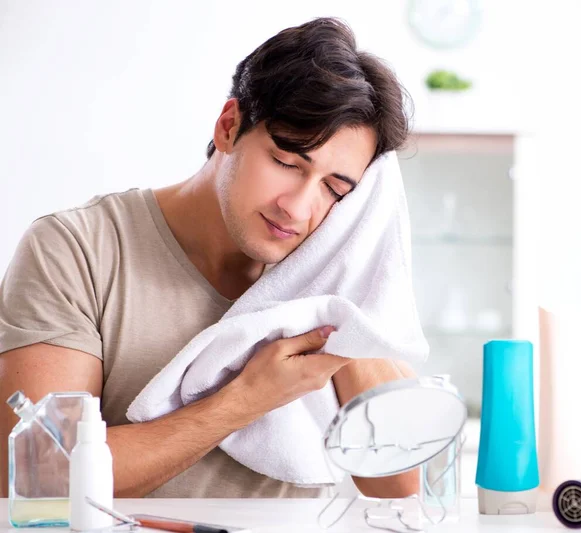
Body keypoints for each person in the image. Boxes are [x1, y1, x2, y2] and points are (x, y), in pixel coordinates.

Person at [0, 17, 419, 499]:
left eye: (334, 188)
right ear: (228, 127)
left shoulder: (331, 278)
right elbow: (45, 475)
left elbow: (398, 481)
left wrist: (341, 297)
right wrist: (243, 402)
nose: (298, 208)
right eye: (286, 162)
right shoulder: (77, 249)